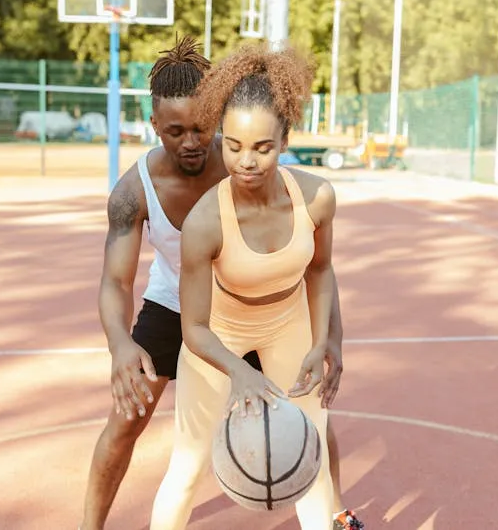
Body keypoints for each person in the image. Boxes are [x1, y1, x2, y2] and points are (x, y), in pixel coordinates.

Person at [79, 35, 364, 530]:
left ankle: (334, 515)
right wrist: (120, 344)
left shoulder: (248, 153)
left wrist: (330, 339)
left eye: (202, 128)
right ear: (154, 126)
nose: (191, 142)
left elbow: (318, 268)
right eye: (174, 131)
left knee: (310, 427)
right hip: (183, 306)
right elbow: (115, 282)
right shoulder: (137, 192)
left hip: (271, 302)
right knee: (130, 422)